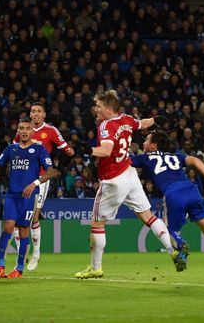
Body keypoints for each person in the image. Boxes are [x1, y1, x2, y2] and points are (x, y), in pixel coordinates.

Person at [75, 90, 174, 279]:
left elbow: (105, 151)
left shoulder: (106, 125)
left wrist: (88, 149)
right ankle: (173, 249)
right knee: (148, 216)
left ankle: (96, 268)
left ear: (109, 108)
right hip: (129, 174)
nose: (96, 109)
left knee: (97, 223)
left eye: (99, 106)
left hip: (113, 179)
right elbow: (142, 123)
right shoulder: (126, 119)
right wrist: (158, 119)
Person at [131, 131, 204, 282]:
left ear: (154, 145)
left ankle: (181, 245)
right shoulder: (175, 156)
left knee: (168, 231)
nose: (143, 143)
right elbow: (194, 160)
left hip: (173, 194)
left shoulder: (144, 158)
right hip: (192, 191)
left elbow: (122, 162)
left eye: (146, 140)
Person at [0, 118, 54, 278]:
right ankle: (0, 266)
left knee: (23, 230)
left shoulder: (39, 149)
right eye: (21, 128)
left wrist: (34, 184)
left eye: (27, 128)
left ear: (32, 131)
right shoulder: (11, 149)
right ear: (18, 131)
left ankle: (19, 268)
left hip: (29, 196)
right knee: (8, 226)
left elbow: (50, 172)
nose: (24, 131)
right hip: (12, 195)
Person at [11, 102, 75, 271]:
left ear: (44, 115)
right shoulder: (24, 130)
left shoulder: (51, 131)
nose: (36, 114)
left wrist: (68, 152)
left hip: (40, 178)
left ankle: (36, 253)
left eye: (39, 111)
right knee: (19, 219)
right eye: (33, 111)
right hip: (22, 178)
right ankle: (21, 254)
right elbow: (14, 149)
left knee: (33, 218)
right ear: (30, 114)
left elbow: (66, 148)